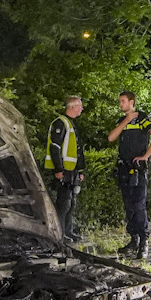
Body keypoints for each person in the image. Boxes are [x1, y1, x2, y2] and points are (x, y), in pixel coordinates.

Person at [107, 90, 151, 260]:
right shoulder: (122, 121)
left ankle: (144, 241)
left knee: (139, 206)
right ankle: (134, 240)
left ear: (131, 102)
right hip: (124, 169)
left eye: (122, 101)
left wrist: (146, 156)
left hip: (138, 170)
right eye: (120, 101)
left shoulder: (142, 119)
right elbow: (111, 137)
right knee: (129, 206)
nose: (120, 104)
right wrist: (126, 121)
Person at [42, 95, 87, 246]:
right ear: (73, 107)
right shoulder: (60, 123)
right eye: (80, 106)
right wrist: (58, 169)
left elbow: (77, 150)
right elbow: (55, 147)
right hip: (64, 170)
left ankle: (68, 231)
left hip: (72, 170)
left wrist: (80, 170)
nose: (81, 109)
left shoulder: (71, 124)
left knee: (71, 202)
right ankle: (59, 234)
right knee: (64, 203)